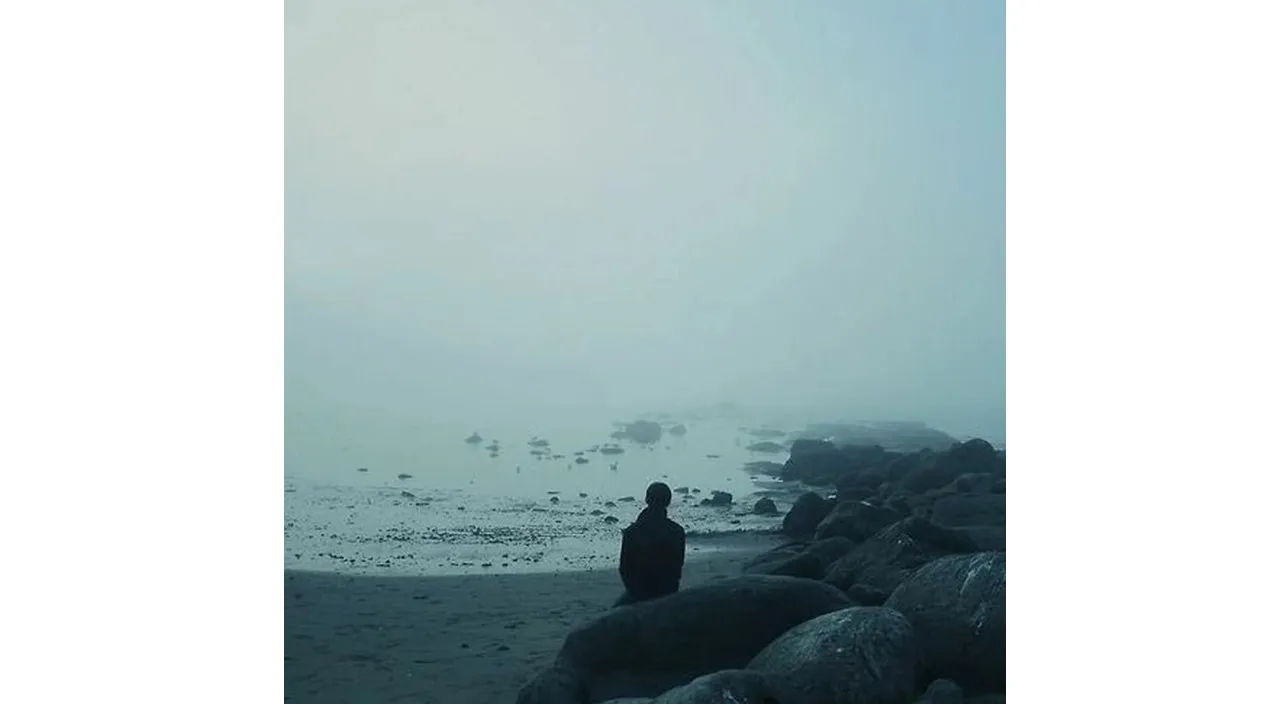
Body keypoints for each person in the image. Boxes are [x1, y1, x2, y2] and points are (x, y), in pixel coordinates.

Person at [613, 481, 686, 607]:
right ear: (668, 502)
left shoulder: (632, 532)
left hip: (639, 593)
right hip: (667, 591)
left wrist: (635, 592)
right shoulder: (677, 531)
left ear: (647, 499)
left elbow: (624, 568)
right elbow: (677, 568)